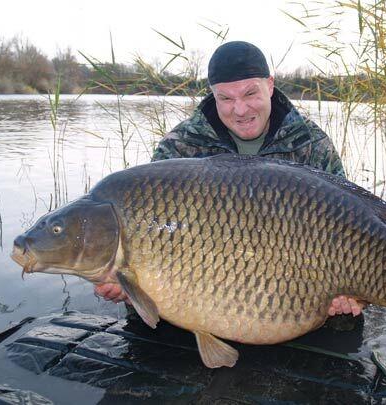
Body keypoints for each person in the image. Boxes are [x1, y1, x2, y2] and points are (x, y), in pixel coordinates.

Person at [94, 41, 365, 319]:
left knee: (345, 320)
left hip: (295, 293)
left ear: (270, 86)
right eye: (226, 98)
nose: (240, 109)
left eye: (250, 93)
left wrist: (351, 297)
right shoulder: (180, 148)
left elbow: (347, 224)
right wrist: (129, 287)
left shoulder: (311, 145)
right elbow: (151, 242)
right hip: (204, 296)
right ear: (212, 96)